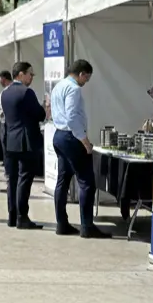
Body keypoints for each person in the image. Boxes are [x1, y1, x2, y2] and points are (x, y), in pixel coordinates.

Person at [50, 59, 109, 239]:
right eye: (87, 78)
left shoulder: (58, 86)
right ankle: (87, 226)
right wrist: (85, 141)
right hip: (71, 137)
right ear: (81, 73)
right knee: (86, 183)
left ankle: (61, 223)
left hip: (59, 135)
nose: (86, 83)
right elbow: (72, 117)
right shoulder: (74, 89)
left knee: (63, 180)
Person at [1, 62, 45, 229]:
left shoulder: (5, 93)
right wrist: (44, 107)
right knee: (24, 179)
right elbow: (39, 114)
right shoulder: (27, 92)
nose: (31, 77)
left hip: (10, 140)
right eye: (30, 74)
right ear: (20, 74)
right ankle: (22, 216)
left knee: (12, 180)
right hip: (26, 141)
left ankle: (12, 215)